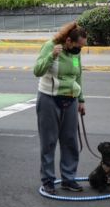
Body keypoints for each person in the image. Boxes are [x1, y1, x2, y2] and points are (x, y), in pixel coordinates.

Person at [34, 22, 87, 195]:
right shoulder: (50, 46)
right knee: (48, 142)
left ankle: (68, 178)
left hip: (70, 99)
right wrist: (51, 56)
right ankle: (48, 180)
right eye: (79, 46)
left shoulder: (75, 52)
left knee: (70, 141)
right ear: (69, 41)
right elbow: (37, 70)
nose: (80, 49)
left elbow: (78, 75)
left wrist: (81, 99)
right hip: (49, 99)